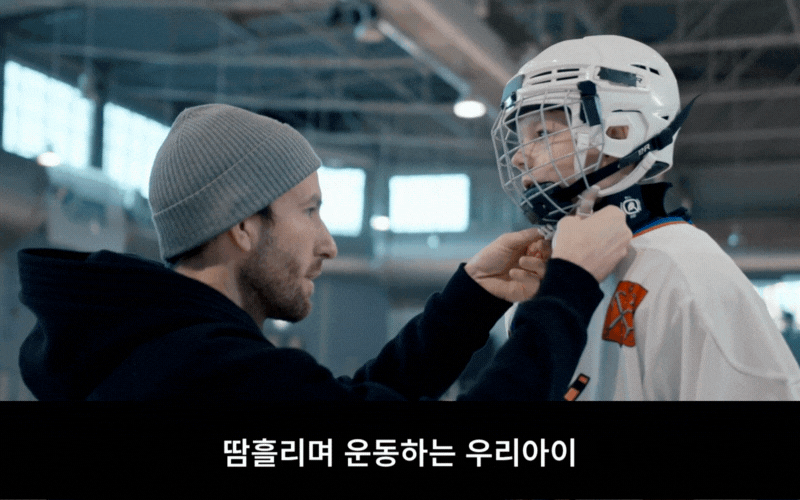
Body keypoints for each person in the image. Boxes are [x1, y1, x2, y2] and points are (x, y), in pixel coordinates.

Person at [17, 103, 631, 401]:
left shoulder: (153, 355)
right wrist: (570, 285)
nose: (329, 243)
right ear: (243, 226)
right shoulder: (210, 375)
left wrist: (469, 301)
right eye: (309, 210)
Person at [492, 35, 800, 400]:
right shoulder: (539, 284)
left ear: (620, 132)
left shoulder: (686, 271)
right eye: (520, 139)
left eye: (543, 133)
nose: (519, 158)